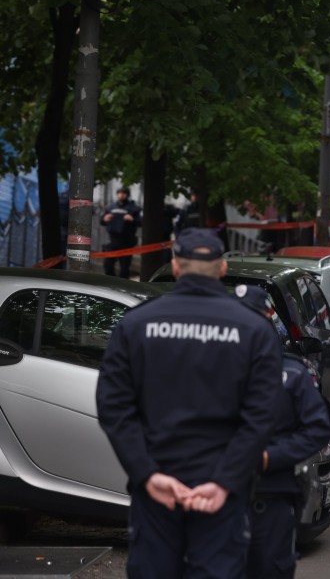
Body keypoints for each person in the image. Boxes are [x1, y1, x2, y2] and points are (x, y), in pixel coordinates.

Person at [96, 228, 282, 579]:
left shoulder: (136, 324)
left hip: (157, 485)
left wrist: (147, 474)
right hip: (220, 490)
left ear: (176, 267)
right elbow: (263, 415)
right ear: (223, 268)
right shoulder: (253, 330)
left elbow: (113, 406)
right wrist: (224, 481)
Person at [234, 285, 330, 579]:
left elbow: (317, 429)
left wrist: (269, 457)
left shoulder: (292, 373)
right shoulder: (209, 369)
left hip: (272, 496)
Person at [100, 186, 142, 277]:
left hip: (126, 242)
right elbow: (102, 221)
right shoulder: (111, 207)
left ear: (127, 195)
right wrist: (105, 219)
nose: (121, 195)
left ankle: (122, 288)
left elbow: (141, 222)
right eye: (119, 193)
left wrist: (132, 219)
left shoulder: (133, 208)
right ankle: (111, 284)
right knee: (108, 265)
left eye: (123, 193)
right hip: (113, 241)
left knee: (124, 268)